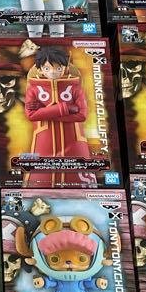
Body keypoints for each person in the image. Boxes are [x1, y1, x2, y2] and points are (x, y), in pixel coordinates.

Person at [22, 46, 90, 187]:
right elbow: (31, 115)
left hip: (73, 140)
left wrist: (45, 112)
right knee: (40, 181)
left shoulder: (75, 88)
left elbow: (82, 115)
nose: (53, 72)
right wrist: (65, 108)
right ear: (40, 69)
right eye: (47, 68)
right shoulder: (33, 90)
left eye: (58, 68)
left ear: (66, 68)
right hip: (44, 140)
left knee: (77, 181)